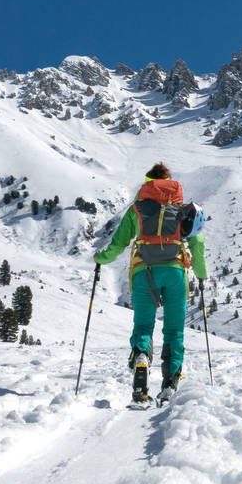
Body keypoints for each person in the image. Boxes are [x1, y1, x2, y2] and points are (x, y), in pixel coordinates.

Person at [94, 162, 207, 402]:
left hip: (143, 271)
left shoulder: (137, 209)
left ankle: (142, 357)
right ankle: (170, 383)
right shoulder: (184, 210)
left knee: (144, 326)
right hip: (176, 272)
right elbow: (198, 246)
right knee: (174, 330)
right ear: (171, 183)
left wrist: (100, 258)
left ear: (147, 182)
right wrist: (201, 274)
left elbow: (118, 245)